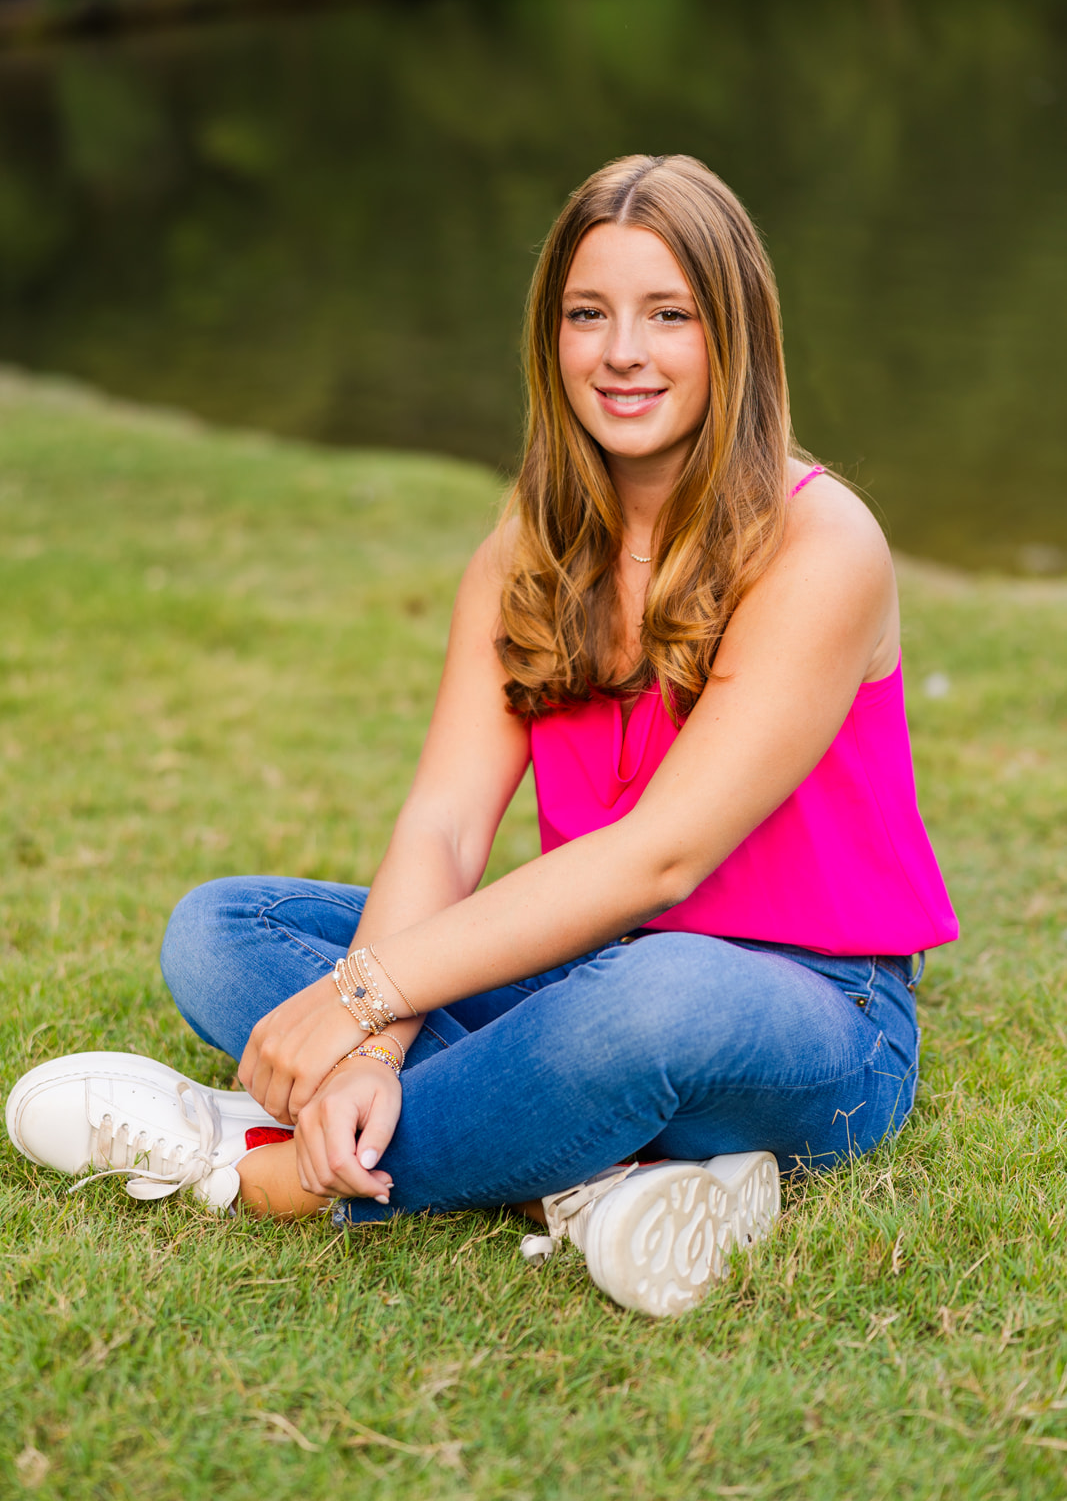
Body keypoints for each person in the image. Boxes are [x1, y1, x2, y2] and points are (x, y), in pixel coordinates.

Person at [5, 154, 957, 1318]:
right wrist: (368, 1034)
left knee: (653, 998)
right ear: (547, 336)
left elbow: (661, 859)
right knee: (222, 930)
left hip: (811, 1016)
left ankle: (246, 1161)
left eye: (668, 315)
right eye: (586, 314)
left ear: (733, 337)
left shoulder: (822, 547)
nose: (621, 352)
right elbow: (448, 823)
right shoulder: (529, 545)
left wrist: (363, 1004)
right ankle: (593, 1181)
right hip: (591, 967)